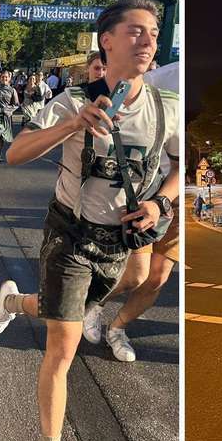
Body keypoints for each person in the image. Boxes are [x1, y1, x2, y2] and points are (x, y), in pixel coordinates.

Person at [0, 0, 179, 441]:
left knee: (62, 309)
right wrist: (73, 125)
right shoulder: (72, 101)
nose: (148, 40)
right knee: (63, 344)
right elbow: (15, 153)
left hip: (121, 244)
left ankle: (12, 305)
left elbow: (181, 165)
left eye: (153, 31)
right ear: (107, 41)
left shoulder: (166, 107)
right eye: (136, 31)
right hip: (69, 236)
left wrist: (162, 203)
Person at [82, 51, 182, 363]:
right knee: (135, 275)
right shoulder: (162, 78)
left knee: (158, 277)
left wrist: (165, 201)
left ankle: (117, 328)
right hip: (146, 190)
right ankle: (89, 305)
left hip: (178, 198)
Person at [0, 70, 20, 161]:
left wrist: (7, 110)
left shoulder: (12, 90)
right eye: (3, 77)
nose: (4, 78)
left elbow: (17, 104)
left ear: (9, 78)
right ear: (0, 77)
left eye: (6, 77)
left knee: (1, 135)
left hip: (5, 114)